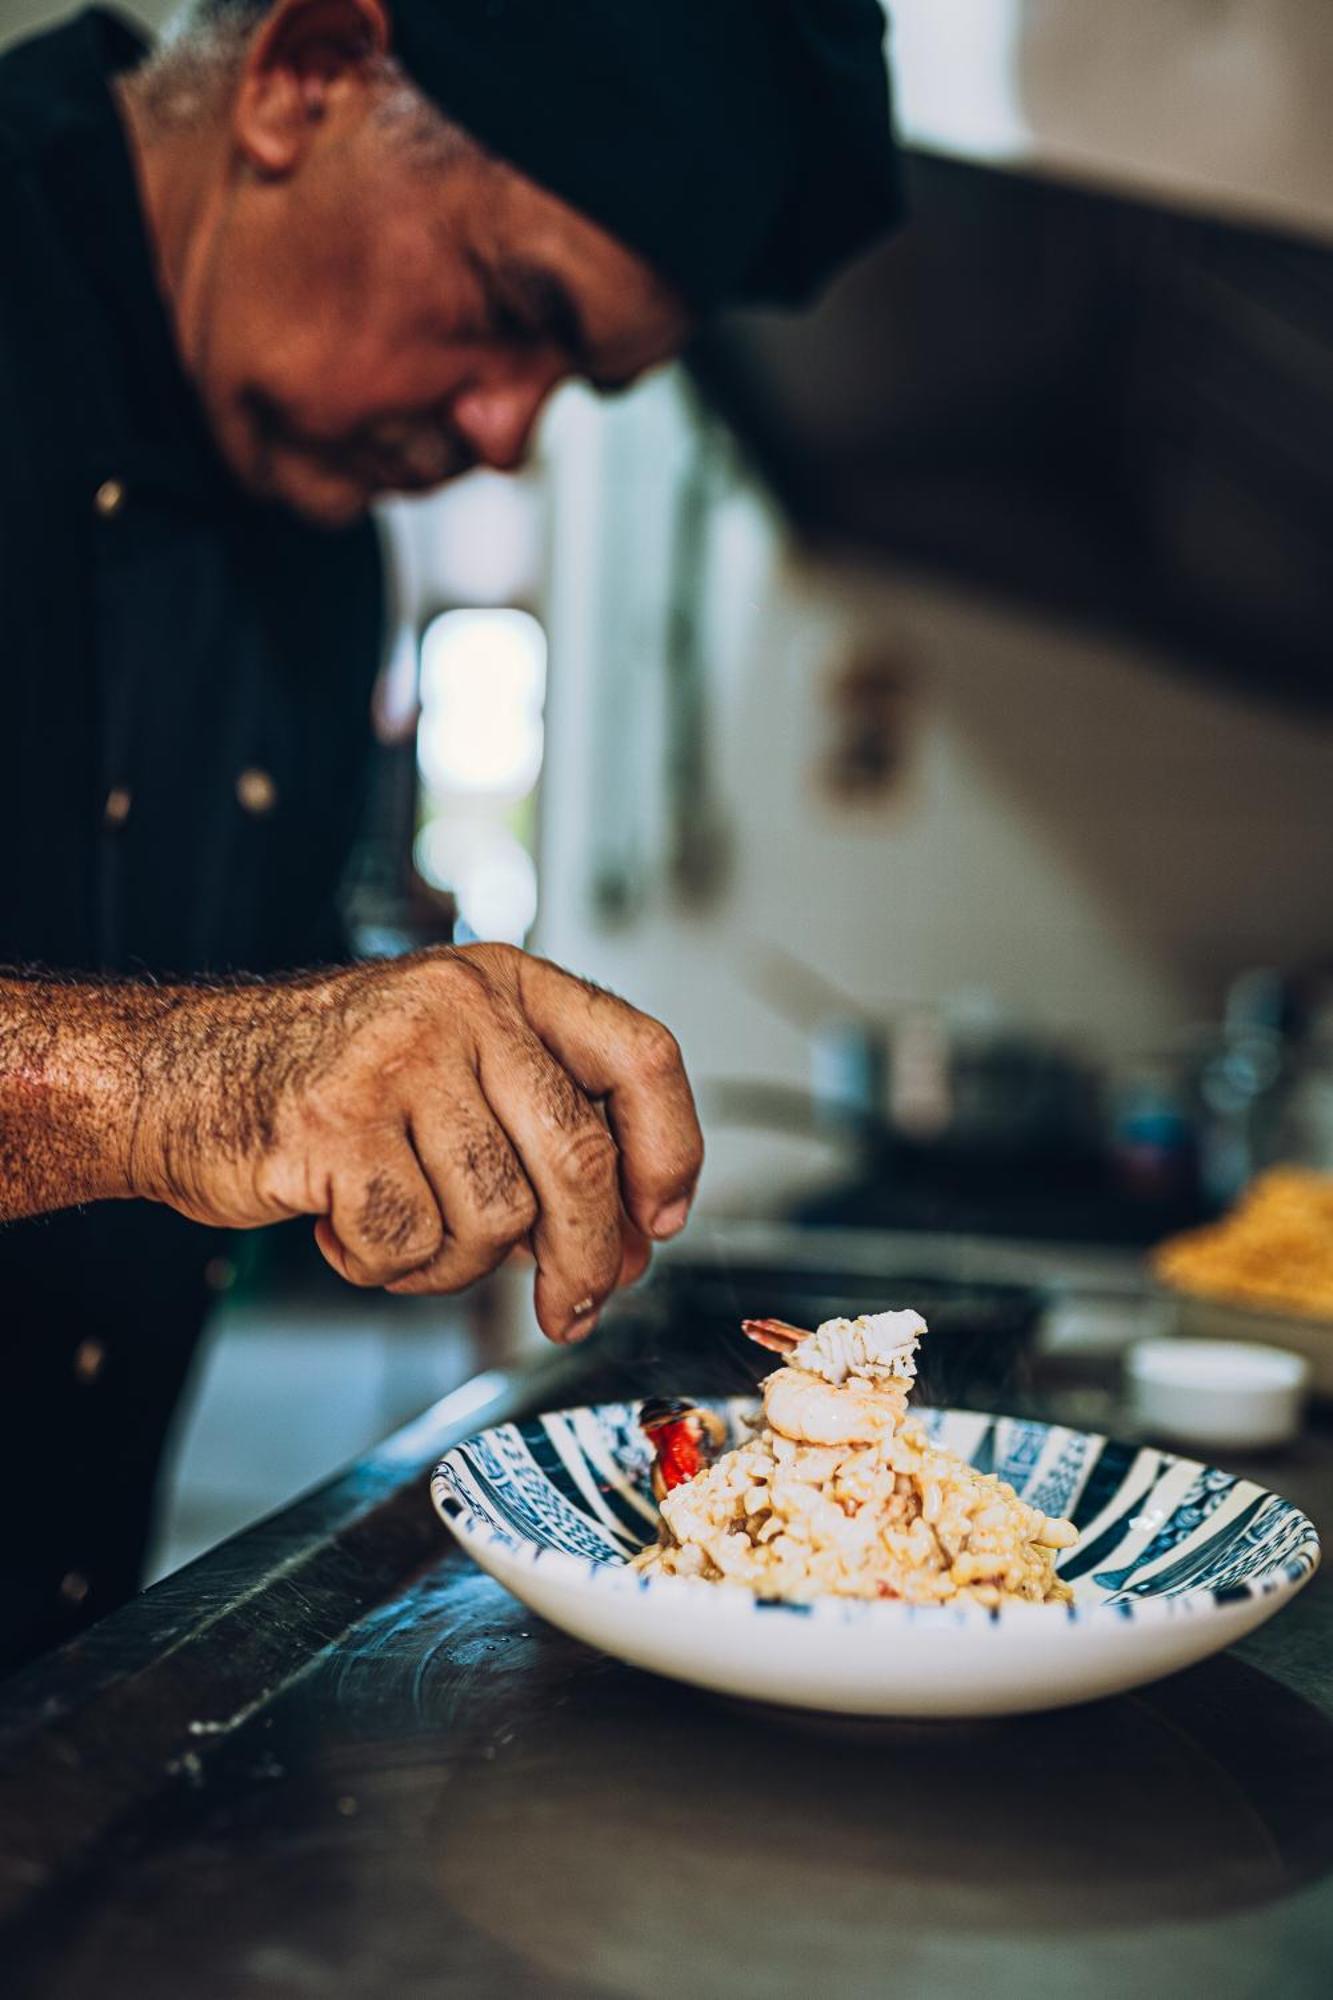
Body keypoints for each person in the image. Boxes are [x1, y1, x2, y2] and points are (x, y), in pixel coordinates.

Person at [0, 0, 900, 1672]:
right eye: (509, 313)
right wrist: (183, 1082)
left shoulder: (319, 546)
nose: (504, 431)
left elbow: (152, 956)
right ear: (305, 74)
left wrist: (416, 1073)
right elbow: (182, 1061)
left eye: (575, 382)